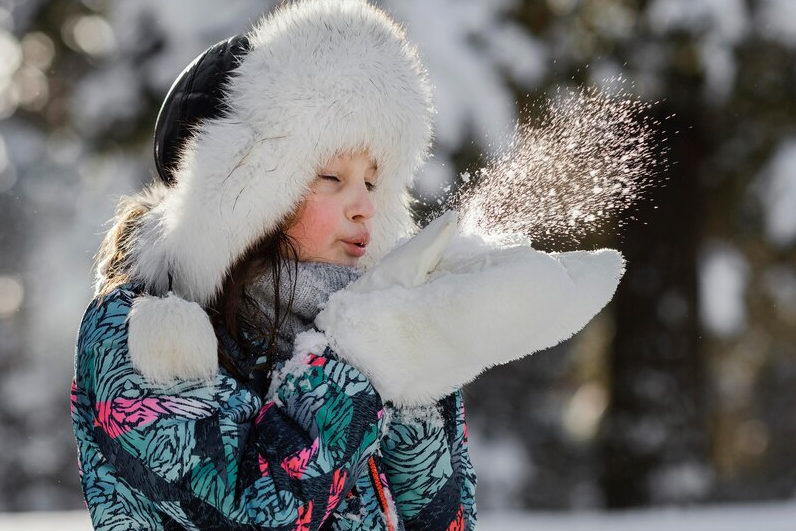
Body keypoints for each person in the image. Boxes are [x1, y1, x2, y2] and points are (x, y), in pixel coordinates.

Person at [73, 1, 626, 529]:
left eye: (372, 181)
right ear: (241, 196)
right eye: (332, 178)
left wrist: (425, 348)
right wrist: (363, 357)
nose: (364, 205)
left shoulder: (364, 320)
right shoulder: (140, 331)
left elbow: (442, 519)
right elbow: (254, 512)